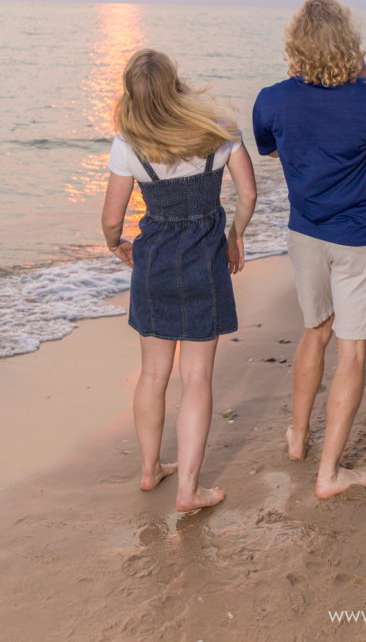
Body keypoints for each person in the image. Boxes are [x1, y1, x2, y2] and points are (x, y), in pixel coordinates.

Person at [102, 49, 257, 511]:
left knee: (152, 374)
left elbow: (112, 220)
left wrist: (118, 245)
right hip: (204, 261)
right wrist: (235, 236)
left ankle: (150, 470)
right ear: (175, 84)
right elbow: (248, 194)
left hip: (153, 261)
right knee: (197, 378)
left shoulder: (128, 142)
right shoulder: (219, 128)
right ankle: (190, 489)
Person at [252, 0, 366, 499]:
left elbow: (269, 148)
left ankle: (298, 435)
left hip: (304, 232)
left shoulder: (271, 97)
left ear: (294, 44)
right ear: (349, 44)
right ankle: (330, 473)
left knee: (316, 330)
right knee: (352, 352)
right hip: (357, 236)